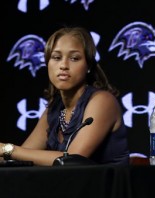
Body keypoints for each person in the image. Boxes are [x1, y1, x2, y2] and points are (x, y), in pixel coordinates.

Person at [0, 27, 129, 166]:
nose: (63, 65)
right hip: (70, 186)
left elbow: (73, 160)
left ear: (89, 65)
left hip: (105, 186)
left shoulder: (103, 101)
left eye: (74, 58)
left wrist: (6, 149)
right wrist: (5, 154)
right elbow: (20, 158)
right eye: (56, 57)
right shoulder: (54, 109)